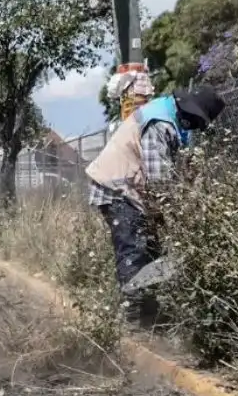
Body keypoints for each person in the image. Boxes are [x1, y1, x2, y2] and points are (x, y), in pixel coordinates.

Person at [85, 84, 225, 324]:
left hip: (132, 189)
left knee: (152, 251)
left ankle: (149, 317)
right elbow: (159, 185)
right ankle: (133, 323)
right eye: (198, 121)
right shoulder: (159, 124)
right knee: (134, 250)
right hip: (116, 188)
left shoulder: (176, 117)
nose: (197, 128)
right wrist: (173, 221)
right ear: (189, 112)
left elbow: (180, 174)